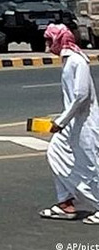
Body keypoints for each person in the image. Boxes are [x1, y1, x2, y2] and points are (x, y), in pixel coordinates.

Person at [40, 23, 99, 225]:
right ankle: (65, 203)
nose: (47, 45)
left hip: (85, 124)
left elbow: (81, 95)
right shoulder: (67, 61)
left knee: (90, 164)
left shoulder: (77, 61)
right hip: (71, 124)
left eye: (49, 40)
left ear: (59, 40)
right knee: (55, 153)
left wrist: (60, 121)